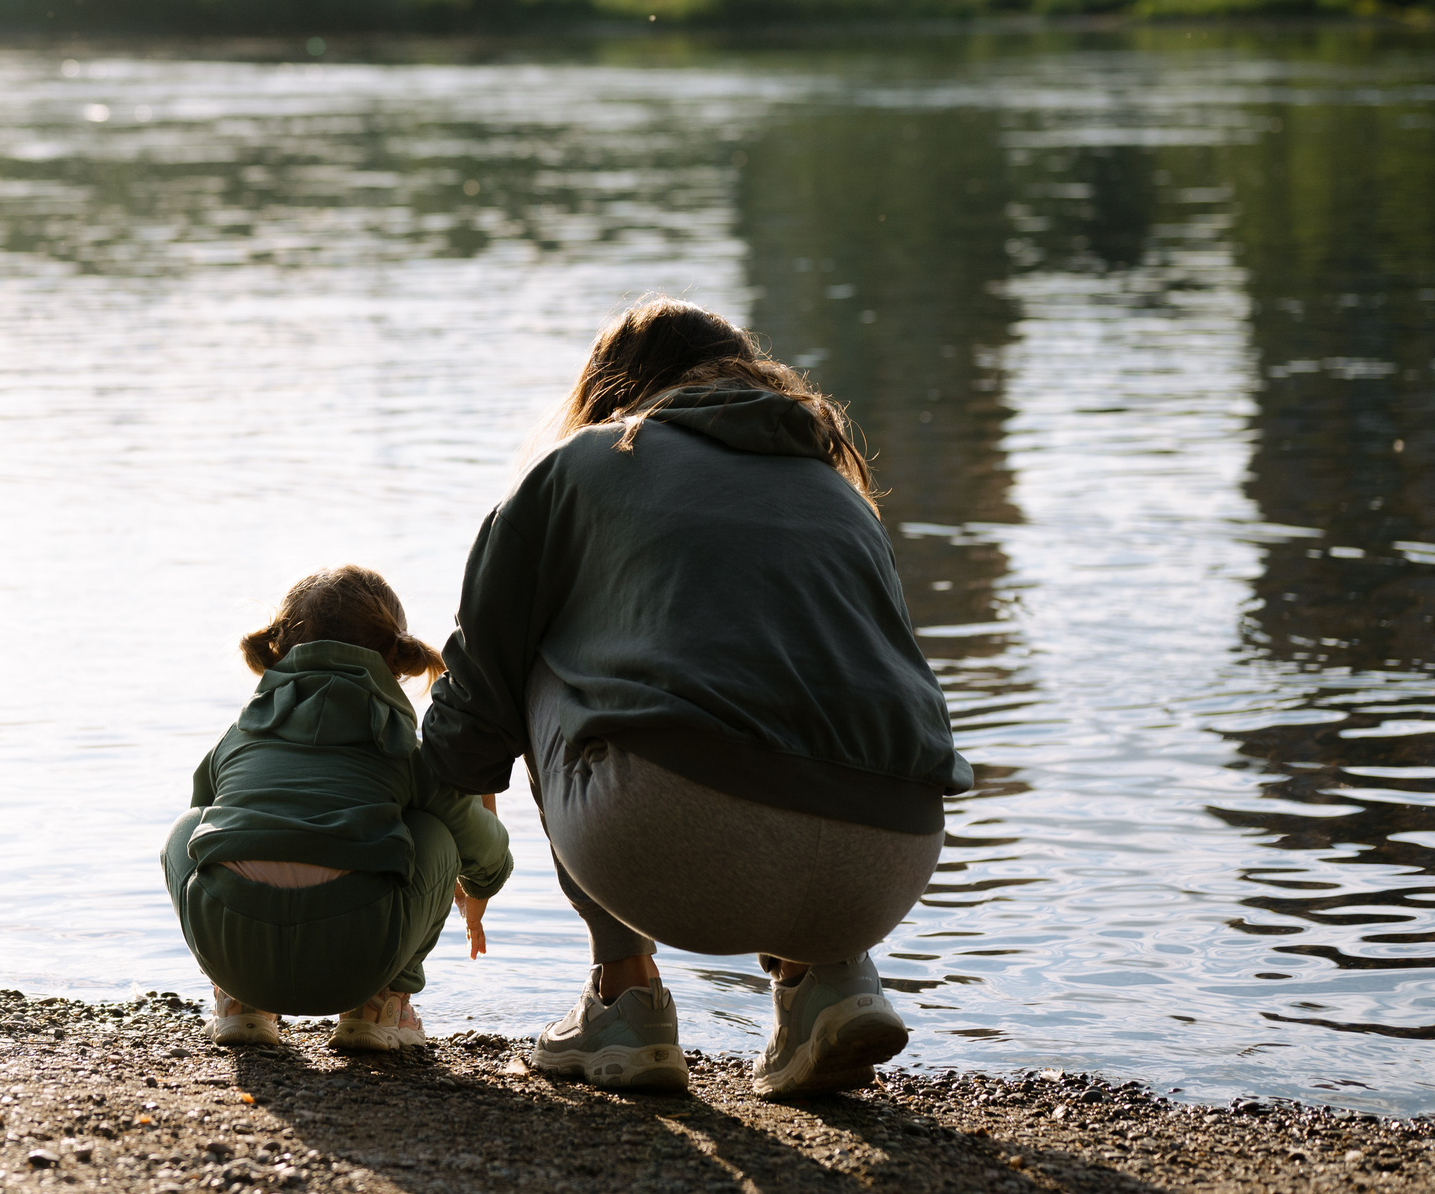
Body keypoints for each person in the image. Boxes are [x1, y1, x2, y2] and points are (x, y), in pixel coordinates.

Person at [421, 297, 971, 1097]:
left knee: (540, 637)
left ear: (613, 389)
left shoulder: (585, 460)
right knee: (808, 669)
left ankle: (626, 998)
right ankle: (835, 982)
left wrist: (435, 808)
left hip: (676, 835)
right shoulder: (835, 487)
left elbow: (477, 688)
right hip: (894, 855)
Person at [163, 565, 512, 1051]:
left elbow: (205, 836)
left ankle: (240, 1003)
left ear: (278, 648)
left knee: (189, 827)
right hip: (357, 956)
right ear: (396, 658)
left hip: (233, 949)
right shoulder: (403, 750)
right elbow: (481, 845)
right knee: (435, 832)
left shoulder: (238, 737)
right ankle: (379, 1007)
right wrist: (482, 883)